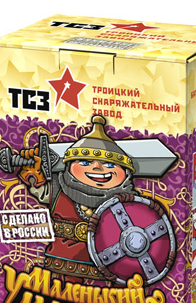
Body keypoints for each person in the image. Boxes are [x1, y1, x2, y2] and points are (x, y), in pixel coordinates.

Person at [18, 115, 137, 283]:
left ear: (125, 173)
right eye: (85, 162)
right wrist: (33, 172)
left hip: (110, 275)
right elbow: (37, 186)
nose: (97, 168)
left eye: (110, 165)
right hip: (62, 270)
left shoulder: (129, 203)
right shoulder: (57, 189)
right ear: (69, 166)